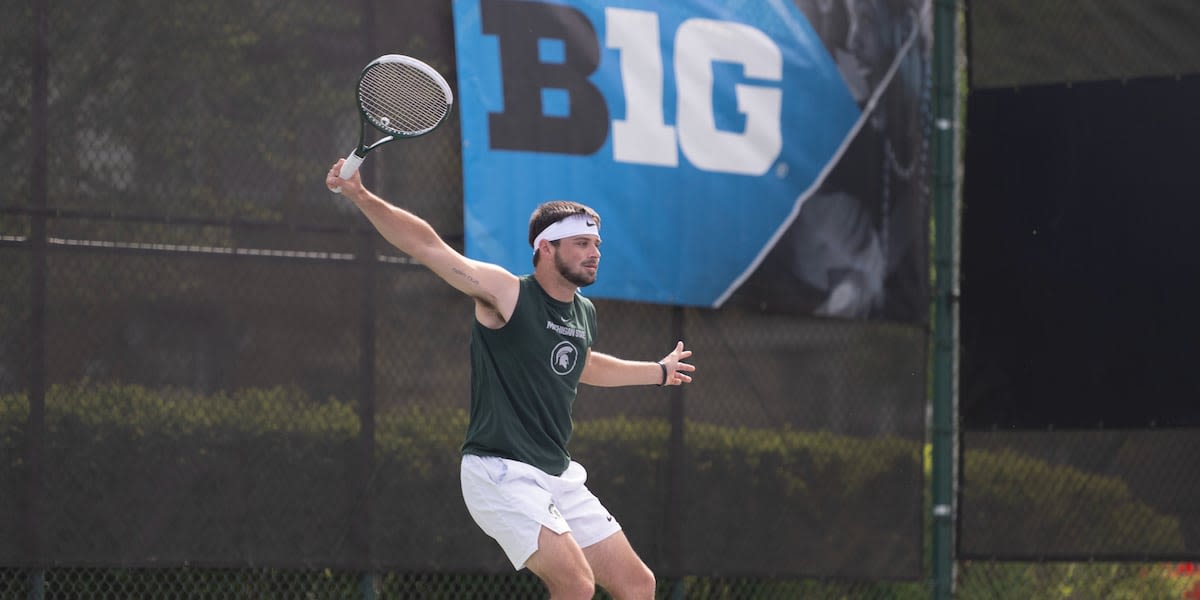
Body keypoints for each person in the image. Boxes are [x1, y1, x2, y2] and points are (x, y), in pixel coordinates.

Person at [326, 160, 695, 600]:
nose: (594, 252)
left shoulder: (583, 312)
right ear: (545, 248)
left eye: (596, 243)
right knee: (575, 584)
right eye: (581, 243)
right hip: (500, 471)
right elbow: (429, 247)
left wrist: (658, 372)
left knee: (638, 585)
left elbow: (584, 363)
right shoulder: (506, 293)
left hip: (556, 473)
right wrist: (361, 196)